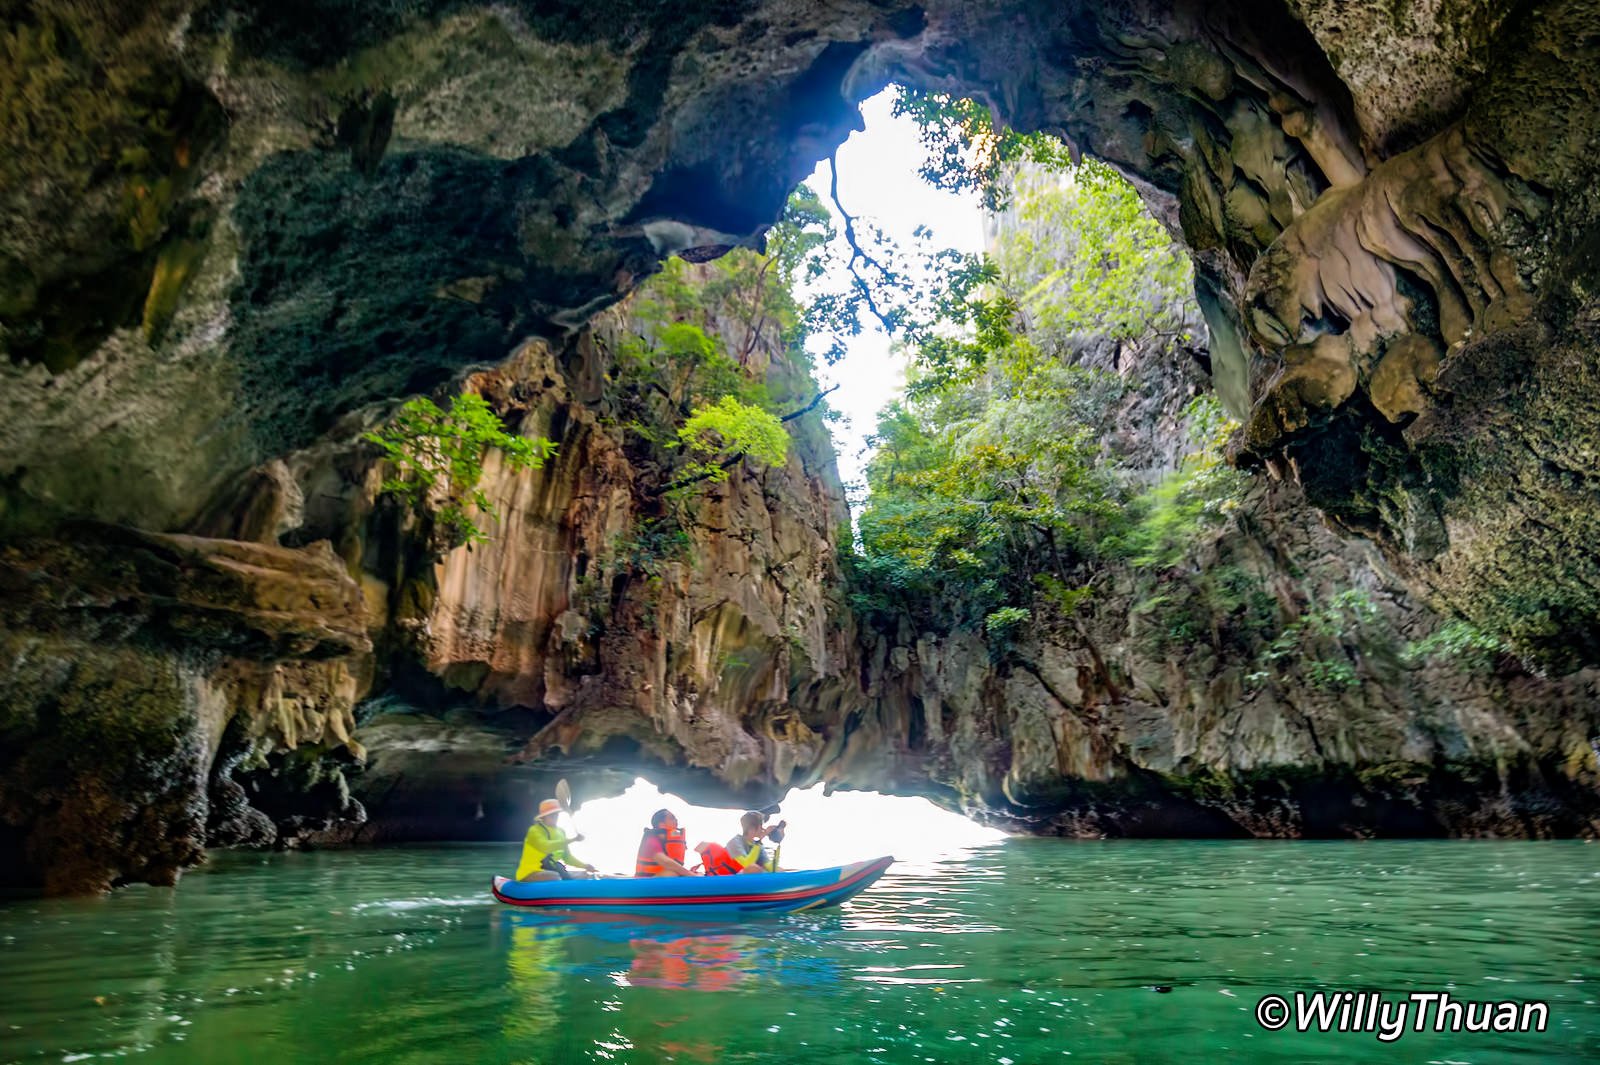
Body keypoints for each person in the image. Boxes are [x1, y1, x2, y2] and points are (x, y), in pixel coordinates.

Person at [515, 798, 596, 881]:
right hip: (530, 873)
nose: (555, 817)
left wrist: (585, 866)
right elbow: (546, 846)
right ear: (543, 817)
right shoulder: (534, 830)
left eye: (556, 814)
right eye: (551, 815)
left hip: (552, 871)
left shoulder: (561, 832)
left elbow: (567, 858)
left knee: (585, 875)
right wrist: (573, 839)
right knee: (555, 876)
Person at [635, 808, 695, 877]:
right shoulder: (651, 839)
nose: (676, 820)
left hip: (658, 879)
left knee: (677, 872)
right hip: (644, 882)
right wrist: (691, 875)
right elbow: (665, 862)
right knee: (673, 873)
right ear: (662, 824)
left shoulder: (668, 839)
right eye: (672, 818)